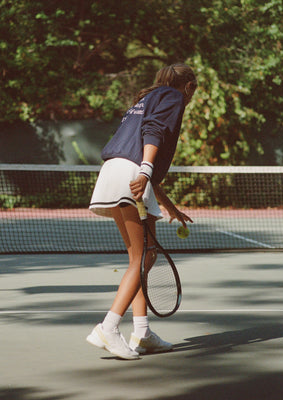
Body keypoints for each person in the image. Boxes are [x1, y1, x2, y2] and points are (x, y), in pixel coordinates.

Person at [87, 63, 197, 359]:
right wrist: (146, 171)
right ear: (188, 86)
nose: (192, 95)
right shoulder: (172, 98)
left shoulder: (145, 99)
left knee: (140, 257)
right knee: (145, 257)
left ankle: (142, 332)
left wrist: (169, 205)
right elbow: (154, 132)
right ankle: (108, 327)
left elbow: (137, 147)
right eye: (194, 89)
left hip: (112, 171)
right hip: (133, 173)